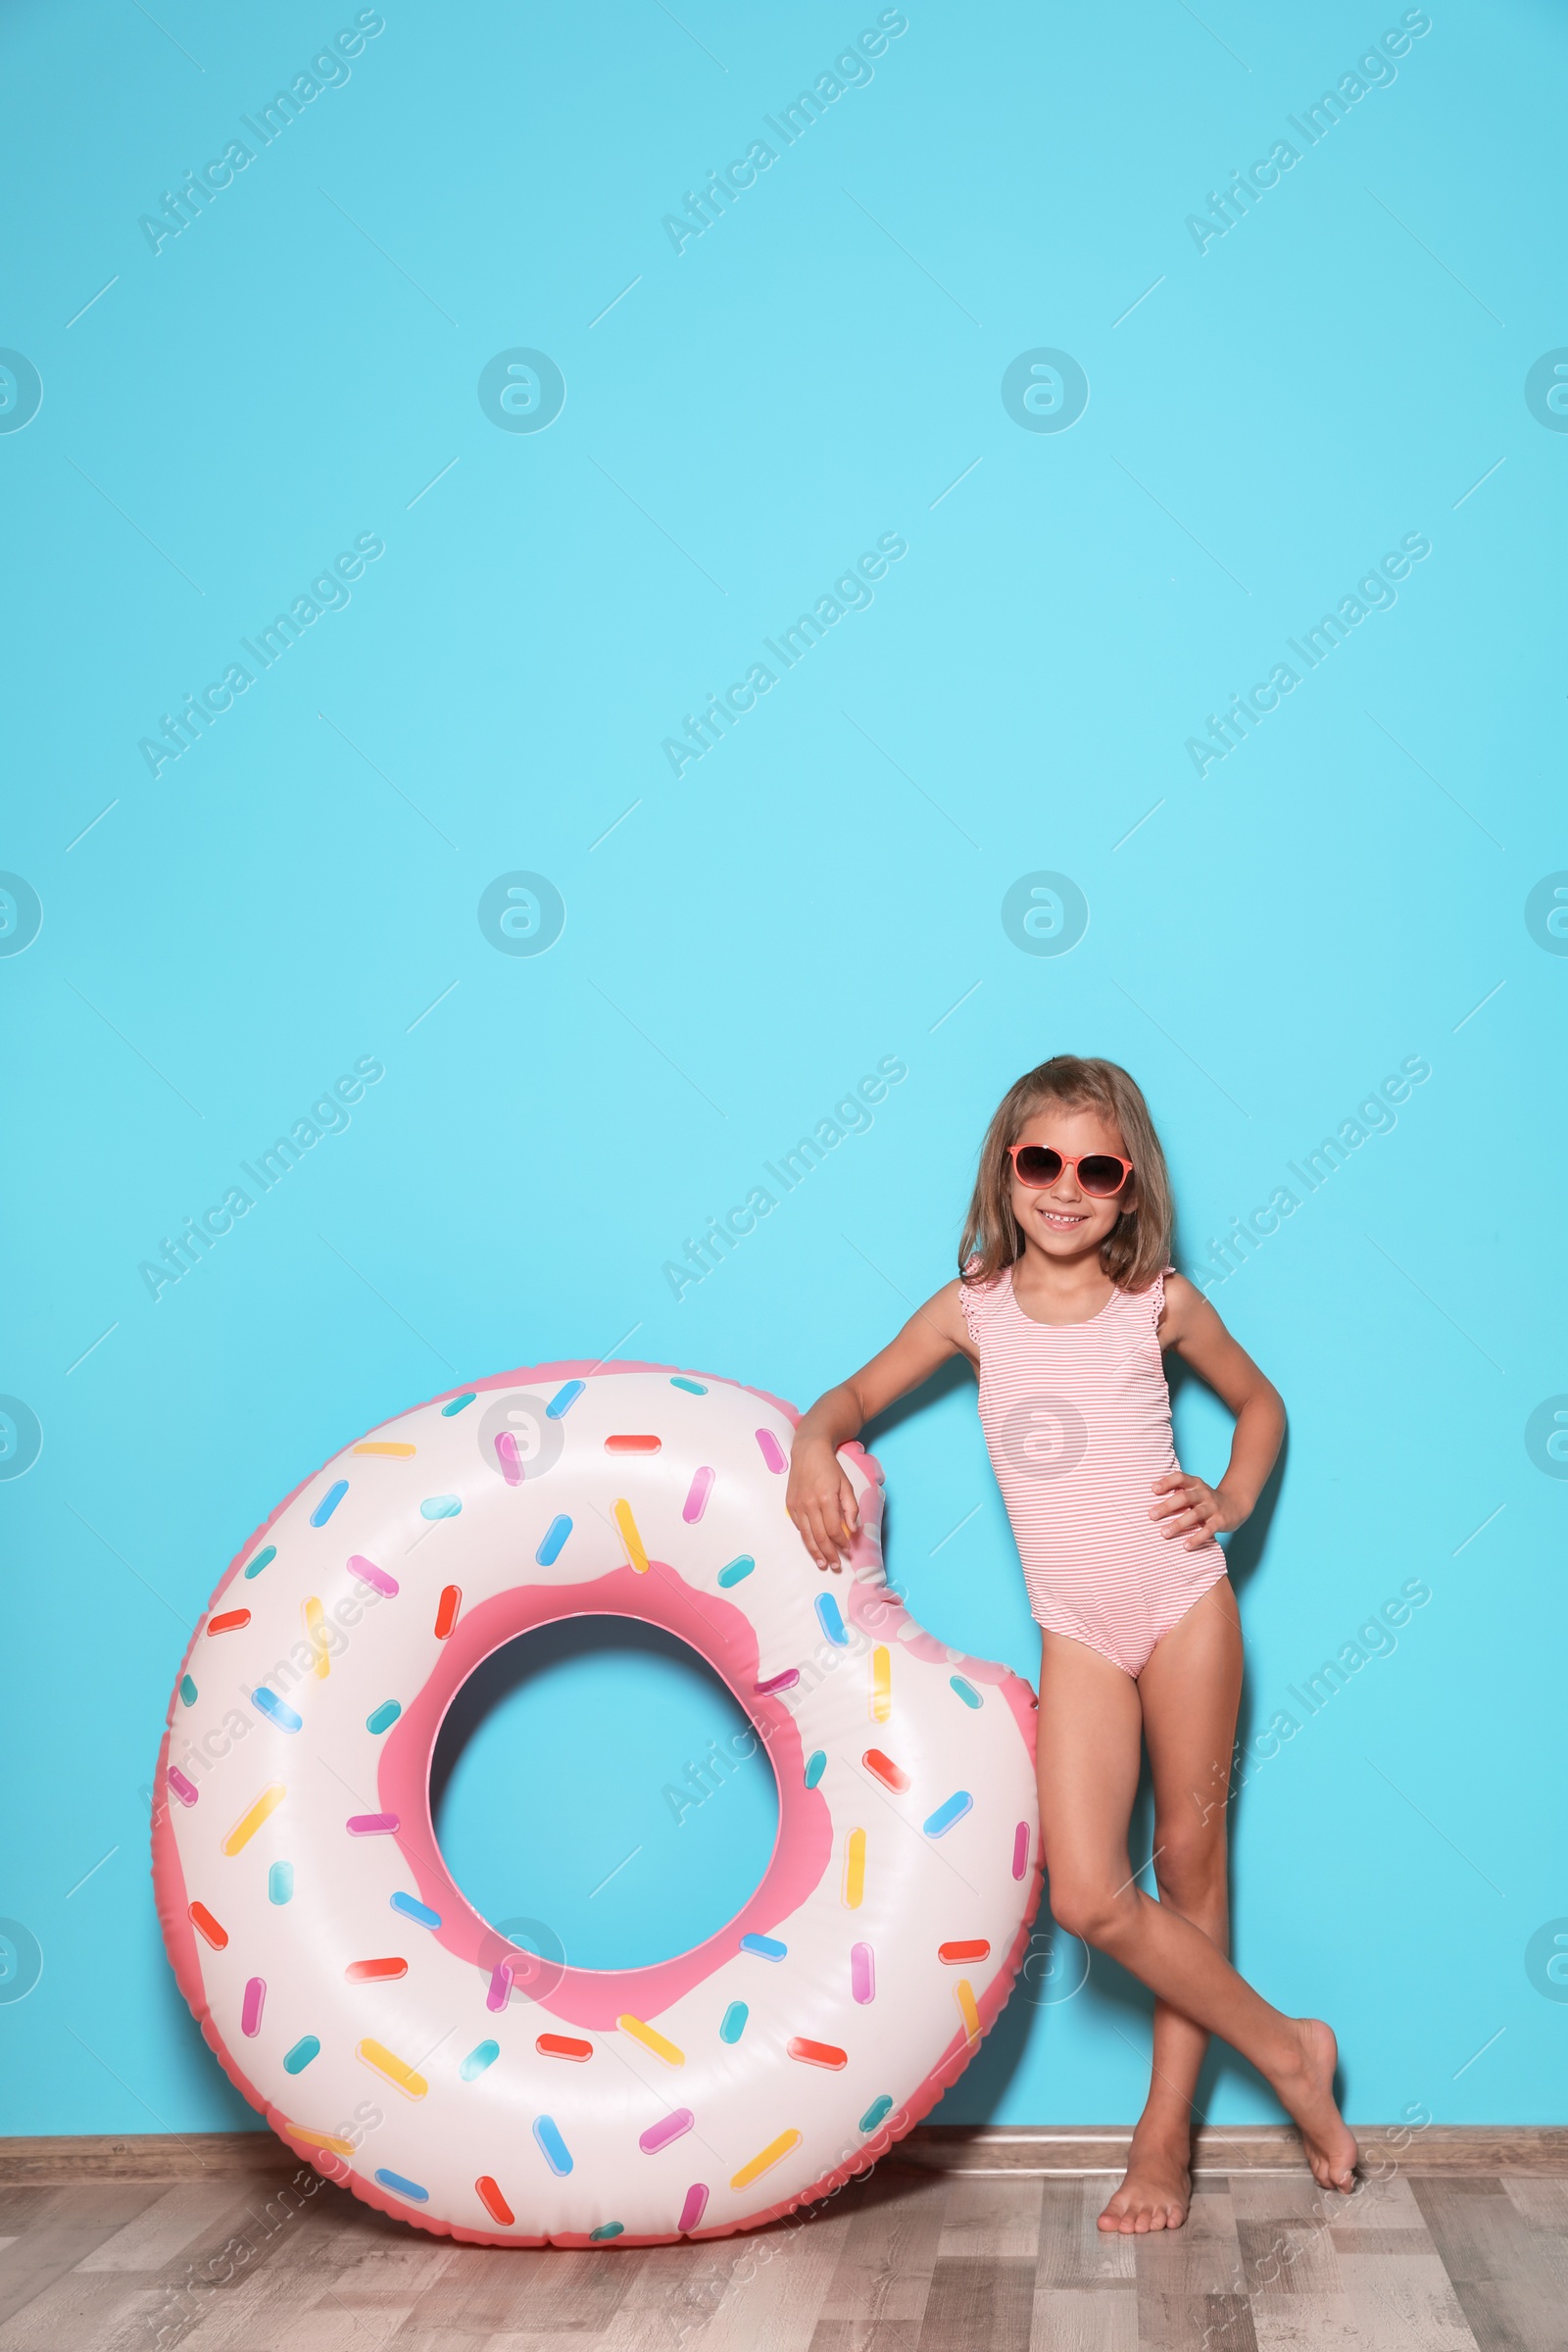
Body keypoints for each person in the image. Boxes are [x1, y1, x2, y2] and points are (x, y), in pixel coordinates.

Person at [784, 1054, 1357, 2232]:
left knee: (1193, 1869)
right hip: (1079, 1630)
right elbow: (845, 1401)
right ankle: (1290, 2051)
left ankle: (1164, 2143)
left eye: (1096, 1170)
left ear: (1130, 1187)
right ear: (1008, 1169)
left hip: (1184, 1603)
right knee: (1093, 1896)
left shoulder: (1162, 1302)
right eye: (1042, 1162)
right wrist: (807, 1440)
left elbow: (1262, 1406)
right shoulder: (970, 1310)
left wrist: (1234, 1502)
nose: (1065, 1190)